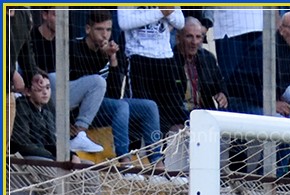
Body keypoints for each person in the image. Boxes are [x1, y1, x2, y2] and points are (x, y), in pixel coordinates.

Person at [71, 11, 162, 164]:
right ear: (88, 29)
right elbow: (83, 86)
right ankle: (125, 161)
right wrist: (101, 57)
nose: (104, 35)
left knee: (149, 106)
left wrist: (112, 60)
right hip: (81, 110)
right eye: (99, 29)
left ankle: (157, 161)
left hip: (105, 106)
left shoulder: (111, 51)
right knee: (121, 107)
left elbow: (113, 93)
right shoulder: (75, 47)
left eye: (108, 30)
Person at [27, 9, 106, 153]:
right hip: (37, 90)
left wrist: (104, 55)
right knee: (53, 77)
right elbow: (28, 67)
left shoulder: (66, 39)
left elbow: (81, 72)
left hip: (63, 92)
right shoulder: (32, 36)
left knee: (98, 81)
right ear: (45, 15)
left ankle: (80, 134)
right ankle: (58, 131)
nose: (61, 20)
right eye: (56, 15)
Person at [118, 6, 186, 137]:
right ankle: (135, 151)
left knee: (168, 111)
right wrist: (160, 12)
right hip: (138, 57)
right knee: (140, 109)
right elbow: (124, 22)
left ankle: (160, 153)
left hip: (165, 57)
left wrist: (167, 13)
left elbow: (180, 22)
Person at [172, 17, 228, 131]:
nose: (194, 42)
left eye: (198, 37)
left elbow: (220, 84)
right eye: (189, 36)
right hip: (179, 118)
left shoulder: (208, 59)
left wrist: (222, 94)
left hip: (204, 115)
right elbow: (168, 102)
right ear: (178, 38)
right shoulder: (169, 61)